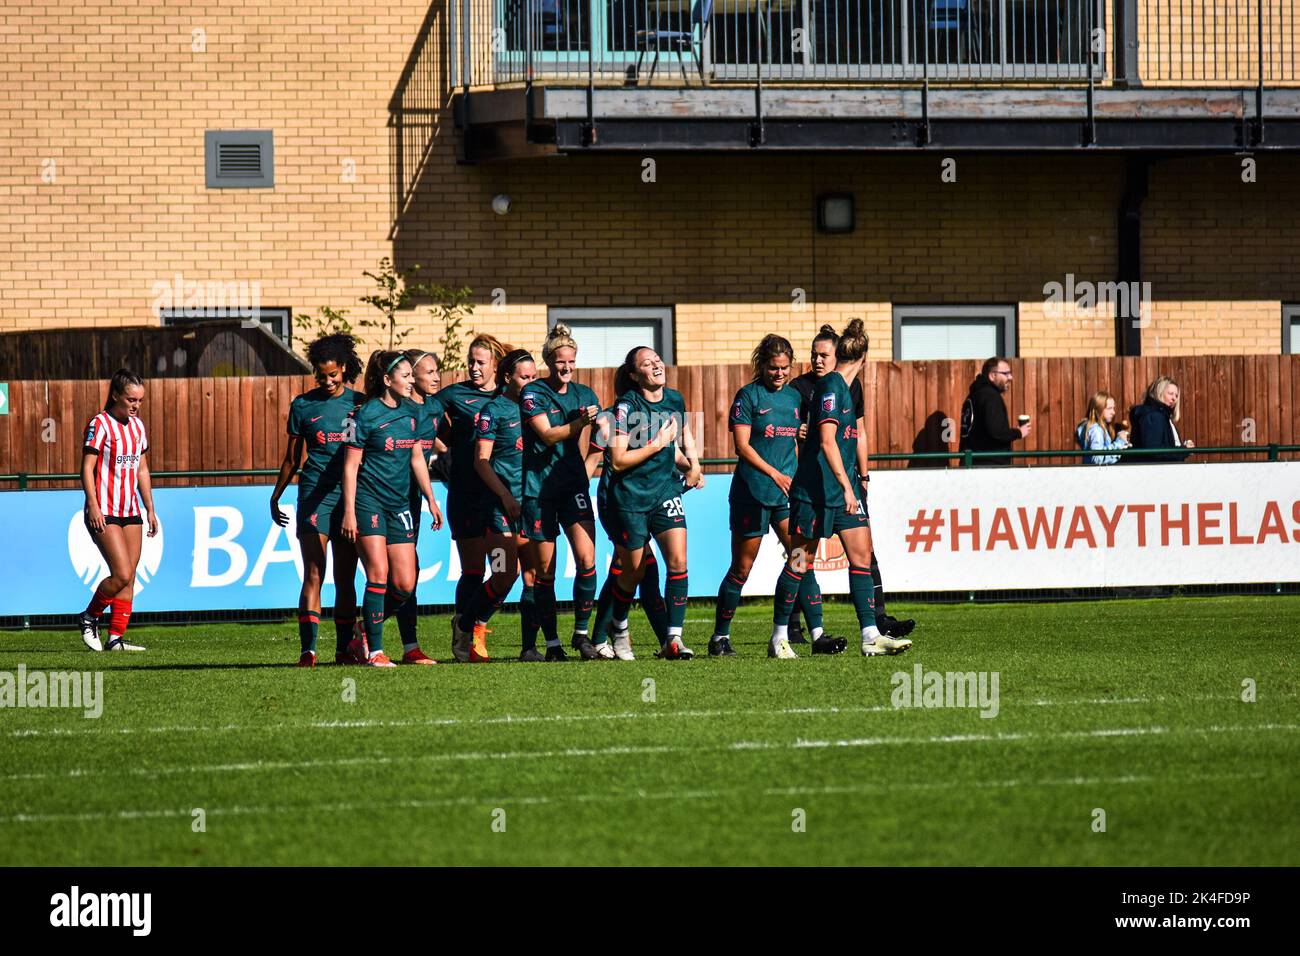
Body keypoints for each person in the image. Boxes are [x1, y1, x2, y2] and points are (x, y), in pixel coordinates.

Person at [777, 319, 912, 659]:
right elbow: (826, 442)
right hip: (815, 493)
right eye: (816, 355)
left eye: (824, 354)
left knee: (862, 558)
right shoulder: (832, 389)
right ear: (864, 357)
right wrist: (849, 488)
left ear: (841, 354)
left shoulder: (847, 389)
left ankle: (871, 635)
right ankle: (779, 637)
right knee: (798, 562)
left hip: (843, 491)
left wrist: (855, 483)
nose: (818, 360)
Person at [710, 334, 847, 657]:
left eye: (785, 368)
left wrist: (804, 435)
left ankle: (818, 635)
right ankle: (719, 638)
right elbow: (741, 447)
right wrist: (773, 473)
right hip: (752, 493)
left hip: (787, 496)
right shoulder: (748, 396)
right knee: (741, 569)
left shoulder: (795, 399)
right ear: (762, 365)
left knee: (801, 561)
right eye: (774, 368)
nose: (780, 373)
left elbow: (807, 437)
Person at [340, 351, 443, 667]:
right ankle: (375, 652)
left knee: (405, 583)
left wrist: (431, 499)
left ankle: (364, 627)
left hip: (400, 505)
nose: (412, 380)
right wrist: (349, 511)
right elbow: (350, 466)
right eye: (406, 376)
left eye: (413, 376)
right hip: (368, 502)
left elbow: (416, 458)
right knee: (379, 574)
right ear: (387, 380)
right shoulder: (360, 416)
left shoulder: (412, 414)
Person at [270, 334, 364, 667]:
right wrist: (276, 494)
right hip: (313, 496)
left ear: (344, 369)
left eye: (333, 375)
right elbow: (291, 459)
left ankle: (343, 649)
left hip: (350, 499)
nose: (327, 381)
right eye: (321, 376)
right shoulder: (303, 406)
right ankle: (308, 651)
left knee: (346, 577)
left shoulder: (360, 405)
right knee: (313, 572)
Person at [604, 347, 704, 660]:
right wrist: (657, 444)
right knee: (631, 574)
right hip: (630, 499)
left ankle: (673, 639)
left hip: (665, 493)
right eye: (647, 364)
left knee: (678, 562)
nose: (656, 365)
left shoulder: (675, 399)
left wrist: (694, 464)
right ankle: (618, 625)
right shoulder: (625, 407)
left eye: (657, 360)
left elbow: (685, 434)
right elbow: (618, 461)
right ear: (635, 375)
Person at [519, 324, 602, 660]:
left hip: (573, 489)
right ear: (548, 362)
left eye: (571, 361)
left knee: (587, 559)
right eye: (559, 362)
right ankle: (550, 643)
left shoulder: (586, 394)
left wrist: (599, 445)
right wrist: (580, 424)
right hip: (539, 492)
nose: (566, 368)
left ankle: (581, 635)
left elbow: (604, 434)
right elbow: (549, 436)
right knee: (545, 571)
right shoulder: (533, 394)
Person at [452, 350, 539, 661]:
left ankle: (529, 648)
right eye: (524, 377)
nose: (531, 383)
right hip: (499, 509)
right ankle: (466, 624)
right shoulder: (494, 411)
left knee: (533, 575)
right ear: (507, 378)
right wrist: (505, 496)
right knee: (504, 574)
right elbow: (481, 462)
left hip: (532, 506)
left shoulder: (537, 408)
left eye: (533, 377)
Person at [437, 333, 510, 662]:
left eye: (481, 362)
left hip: (498, 498)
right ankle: (464, 637)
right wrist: (444, 454)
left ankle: (475, 624)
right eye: (471, 361)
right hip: (465, 494)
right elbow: (427, 425)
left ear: (495, 364)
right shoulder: (454, 395)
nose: (474, 367)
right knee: (471, 571)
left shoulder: (509, 397)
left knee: (503, 569)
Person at [77, 369, 158, 653]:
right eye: (130, 399)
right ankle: (89, 617)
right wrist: (93, 504)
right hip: (106, 510)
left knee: (130, 576)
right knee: (121, 573)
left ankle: (115, 639)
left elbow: (142, 468)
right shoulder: (100, 424)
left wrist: (150, 508)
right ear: (115, 395)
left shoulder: (138, 427)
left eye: (140, 400)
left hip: (131, 509)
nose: (135, 405)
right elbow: (87, 468)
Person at [587, 406, 673, 660]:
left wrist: (691, 466)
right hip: (618, 503)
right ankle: (602, 638)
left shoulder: (655, 414)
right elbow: (595, 459)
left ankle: (665, 641)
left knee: (642, 571)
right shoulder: (610, 418)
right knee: (632, 568)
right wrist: (576, 501)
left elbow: (671, 452)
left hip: (643, 501)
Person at [391, 347, 446, 663]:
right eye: (428, 371)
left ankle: (408, 647)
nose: (436, 376)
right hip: (388, 499)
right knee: (397, 575)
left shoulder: (436, 408)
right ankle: (370, 639)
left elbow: (432, 441)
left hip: (412, 501)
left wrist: (443, 452)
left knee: (408, 574)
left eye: (437, 370)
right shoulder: (397, 407)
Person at [959, 356, 1031, 467]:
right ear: (992, 376)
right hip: (989, 466)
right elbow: (996, 432)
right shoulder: (990, 396)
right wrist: (1019, 432)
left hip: (971, 463)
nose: (1010, 377)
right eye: (1006, 374)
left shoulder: (972, 396)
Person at [1128, 376, 1194, 463]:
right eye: (1170, 393)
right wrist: (1183, 451)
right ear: (1159, 392)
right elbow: (1155, 451)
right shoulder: (1154, 416)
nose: (1174, 398)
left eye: (1176, 395)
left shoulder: (1163, 416)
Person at [1075, 391, 1130, 465]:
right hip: (1098, 474)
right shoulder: (1096, 430)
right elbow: (1097, 458)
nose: (1113, 412)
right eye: (1109, 408)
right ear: (1098, 409)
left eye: (1113, 408)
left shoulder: (1092, 427)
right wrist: (1119, 443)